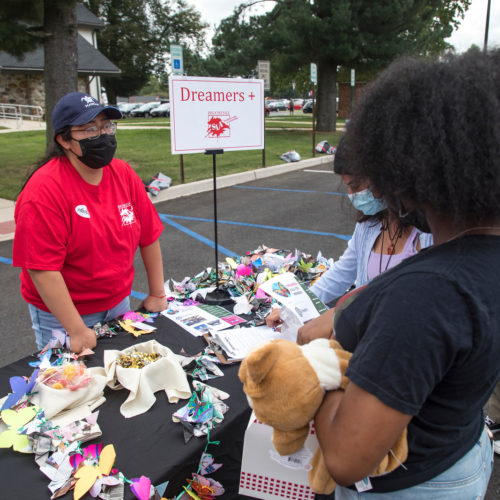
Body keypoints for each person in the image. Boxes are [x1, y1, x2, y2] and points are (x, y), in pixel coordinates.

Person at [313, 52, 499, 498]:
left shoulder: (428, 293)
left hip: (414, 483)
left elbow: (345, 456)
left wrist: (311, 370)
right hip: (462, 450)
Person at [13, 92, 167, 354]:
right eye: (90, 129)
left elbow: (149, 236)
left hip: (118, 302)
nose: (103, 136)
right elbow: (42, 269)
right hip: (64, 314)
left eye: (107, 126)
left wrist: (157, 293)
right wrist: (75, 329)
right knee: (74, 387)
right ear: (64, 139)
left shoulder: (123, 174)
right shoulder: (43, 191)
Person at [266, 146, 433, 342]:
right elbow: (341, 273)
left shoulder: (426, 234)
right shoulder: (368, 226)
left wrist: (342, 314)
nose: (351, 194)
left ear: (384, 181)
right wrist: (294, 308)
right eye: (347, 186)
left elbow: (416, 303)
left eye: (355, 186)